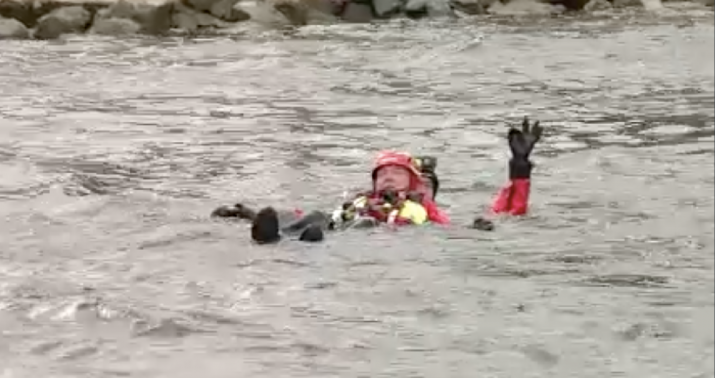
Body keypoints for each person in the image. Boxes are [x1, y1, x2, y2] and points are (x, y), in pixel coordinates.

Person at [211, 117, 544, 244]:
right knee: (311, 216)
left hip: (363, 242)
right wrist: (248, 213)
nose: (387, 178)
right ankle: (264, 232)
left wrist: (519, 167)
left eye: (396, 173)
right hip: (334, 231)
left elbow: (504, 213)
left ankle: (298, 244)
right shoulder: (359, 201)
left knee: (342, 231)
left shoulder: (426, 210)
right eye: (382, 174)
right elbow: (300, 213)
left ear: (415, 186)